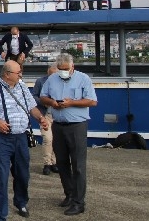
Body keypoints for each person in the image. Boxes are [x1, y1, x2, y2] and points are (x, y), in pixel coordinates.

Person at [0, 60, 49, 221]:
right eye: (18, 73)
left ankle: (21, 201)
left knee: (23, 174)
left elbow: (32, 107)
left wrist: (41, 118)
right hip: (1, 139)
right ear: (7, 74)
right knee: (2, 177)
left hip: (21, 137)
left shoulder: (23, 87)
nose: (21, 75)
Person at [40, 53, 98, 216]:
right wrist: (52, 102)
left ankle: (79, 202)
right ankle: (69, 195)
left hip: (77, 126)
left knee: (78, 165)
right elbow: (43, 96)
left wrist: (71, 102)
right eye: (60, 69)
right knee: (62, 163)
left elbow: (92, 101)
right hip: (58, 125)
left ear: (72, 67)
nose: (63, 72)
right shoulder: (52, 79)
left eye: (65, 69)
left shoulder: (83, 79)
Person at [32, 64, 59, 176]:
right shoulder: (40, 81)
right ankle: (47, 163)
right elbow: (34, 96)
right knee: (48, 138)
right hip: (45, 113)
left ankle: (54, 162)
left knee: (56, 139)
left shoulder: (62, 82)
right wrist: (43, 101)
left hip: (57, 114)